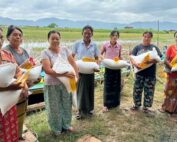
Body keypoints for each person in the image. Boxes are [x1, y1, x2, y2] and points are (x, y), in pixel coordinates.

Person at [41, 30, 78, 136]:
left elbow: (73, 63)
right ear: (48, 40)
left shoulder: (65, 50)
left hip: (65, 83)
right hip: (51, 84)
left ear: (60, 39)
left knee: (66, 104)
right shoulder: (45, 52)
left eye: (57, 38)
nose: (55, 40)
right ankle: (56, 128)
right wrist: (65, 74)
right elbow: (47, 70)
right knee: (54, 107)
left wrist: (76, 76)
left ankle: (66, 125)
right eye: (52, 38)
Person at [3, 25, 31, 140]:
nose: (18, 37)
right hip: (11, 89)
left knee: (22, 111)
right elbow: (8, 72)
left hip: (24, 85)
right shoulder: (6, 51)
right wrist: (22, 67)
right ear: (8, 37)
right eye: (14, 35)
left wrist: (31, 70)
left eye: (20, 35)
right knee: (11, 115)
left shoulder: (23, 51)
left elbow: (28, 67)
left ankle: (19, 134)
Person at [0, 27, 24, 142]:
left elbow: (18, 71)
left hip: (9, 104)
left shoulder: (7, 54)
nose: (0, 41)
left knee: (10, 131)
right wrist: (10, 87)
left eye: (0, 37)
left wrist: (23, 82)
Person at [130, 31, 162, 113]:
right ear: (142, 37)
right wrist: (134, 64)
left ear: (151, 38)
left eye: (148, 37)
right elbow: (132, 57)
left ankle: (146, 107)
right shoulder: (137, 47)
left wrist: (151, 61)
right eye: (145, 36)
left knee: (149, 90)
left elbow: (159, 59)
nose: (146, 38)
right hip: (139, 73)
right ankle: (136, 105)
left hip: (150, 74)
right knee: (137, 89)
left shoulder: (154, 48)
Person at [72, 25, 99, 119]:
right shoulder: (77, 44)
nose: (87, 35)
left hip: (90, 71)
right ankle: (79, 110)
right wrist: (73, 68)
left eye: (89, 33)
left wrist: (97, 66)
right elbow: (72, 57)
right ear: (82, 33)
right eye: (85, 33)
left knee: (89, 90)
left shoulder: (94, 45)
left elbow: (97, 58)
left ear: (92, 34)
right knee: (79, 91)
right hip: (80, 71)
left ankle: (90, 109)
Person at [100, 30, 122, 112]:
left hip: (116, 68)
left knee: (116, 86)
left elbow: (120, 56)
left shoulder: (119, 46)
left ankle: (116, 104)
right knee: (108, 86)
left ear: (118, 37)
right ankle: (106, 105)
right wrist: (103, 60)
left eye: (116, 36)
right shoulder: (106, 45)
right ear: (110, 36)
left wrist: (125, 63)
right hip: (108, 68)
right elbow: (100, 54)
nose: (115, 37)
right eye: (113, 35)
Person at [160, 31, 177, 114]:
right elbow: (166, 59)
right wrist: (172, 67)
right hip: (171, 74)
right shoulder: (171, 47)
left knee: (176, 93)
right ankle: (165, 108)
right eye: (176, 36)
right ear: (175, 38)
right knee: (168, 91)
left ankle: (173, 110)